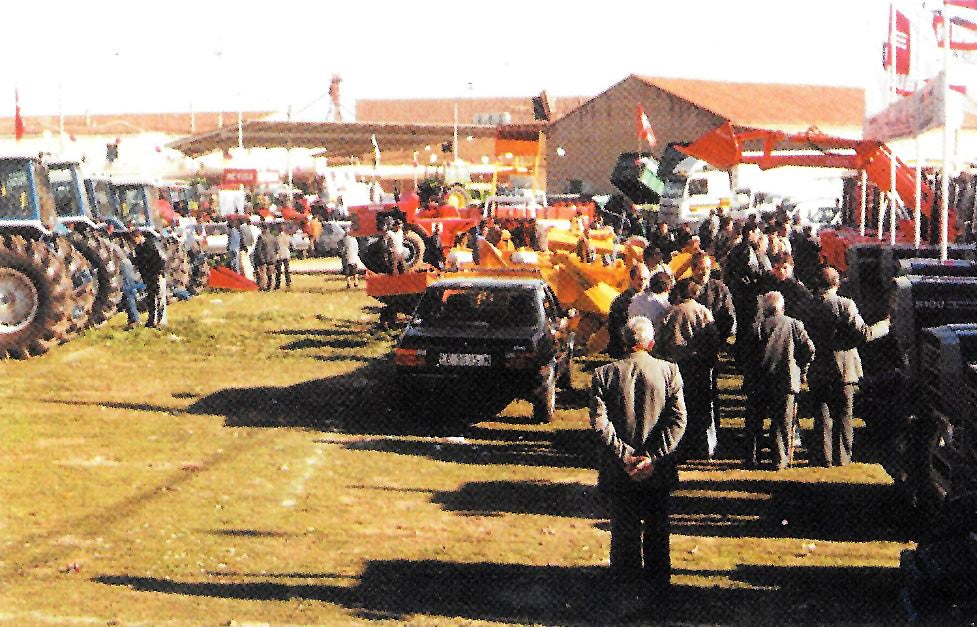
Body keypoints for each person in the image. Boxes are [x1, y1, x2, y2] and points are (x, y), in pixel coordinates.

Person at [590, 316, 687, 608]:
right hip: (657, 468)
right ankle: (659, 592)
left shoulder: (604, 374)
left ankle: (625, 589)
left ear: (623, 341)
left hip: (620, 470)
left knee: (623, 529)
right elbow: (678, 420)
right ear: (651, 343)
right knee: (658, 527)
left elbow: (599, 423)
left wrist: (624, 455)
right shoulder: (669, 372)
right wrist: (654, 456)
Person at [806, 267, 890, 467]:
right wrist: (885, 325)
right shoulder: (845, 305)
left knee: (822, 414)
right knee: (844, 414)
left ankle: (822, 457)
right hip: (844, 368)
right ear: (837, 284)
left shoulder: (806, 305)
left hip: (817, 366)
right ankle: (842, 457)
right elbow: (865, 334)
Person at [655, 278, 721, 460]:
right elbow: (714, 339)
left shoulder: (670, 313)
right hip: (699, 366)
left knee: (677, 408)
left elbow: (658, 341)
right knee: (701, 407)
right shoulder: (704, 313)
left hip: (676, 366)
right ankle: (702, 448)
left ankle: (679, 447)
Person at [749, 291, 815, 469]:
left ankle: (752, 458)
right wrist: (801, 367)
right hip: (786, 379)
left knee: (756, 421)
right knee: (783, 423)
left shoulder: (757, 327)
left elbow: (747, 354)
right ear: (782, 308)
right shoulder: (794, 324)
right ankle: (780, 459)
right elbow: (809, 349)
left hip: (761, 379)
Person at [607, 263, 650, 359]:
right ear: (632, 278)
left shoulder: (649, 298)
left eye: (645, 279)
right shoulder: (622, 301)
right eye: (640, 278)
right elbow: (616, 329)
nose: (643, 282)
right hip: (626, 347)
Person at [132, 230, 166, 328]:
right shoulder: (139, 248)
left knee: (159, 298)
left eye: (135, 239)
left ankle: (160, 321)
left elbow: (159, 260)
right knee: (151, 299)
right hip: (148, 277)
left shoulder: (150, 245)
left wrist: (158, 273)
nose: (134, 241)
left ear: (139, 236)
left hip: (156, 274)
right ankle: (152, 320)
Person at [253, 224, 279, 291]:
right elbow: (277, 248)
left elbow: (258, 249)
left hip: (263, 258)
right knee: (270, 274)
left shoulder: (261, 237)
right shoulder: (273, 237)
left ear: (263, 229)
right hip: (272, 258)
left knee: (263, 274)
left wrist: (259, 258)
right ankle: (270, 287)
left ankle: (263, 287)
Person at [274, 225, 292, 290]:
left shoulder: (276, 238)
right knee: (287, 270)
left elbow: (275, 247)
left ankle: (277, 284)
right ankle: (288, 283)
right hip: (286, 254)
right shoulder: (288, 237)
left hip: (279, 255)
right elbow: (291, 245)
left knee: (278, 271)